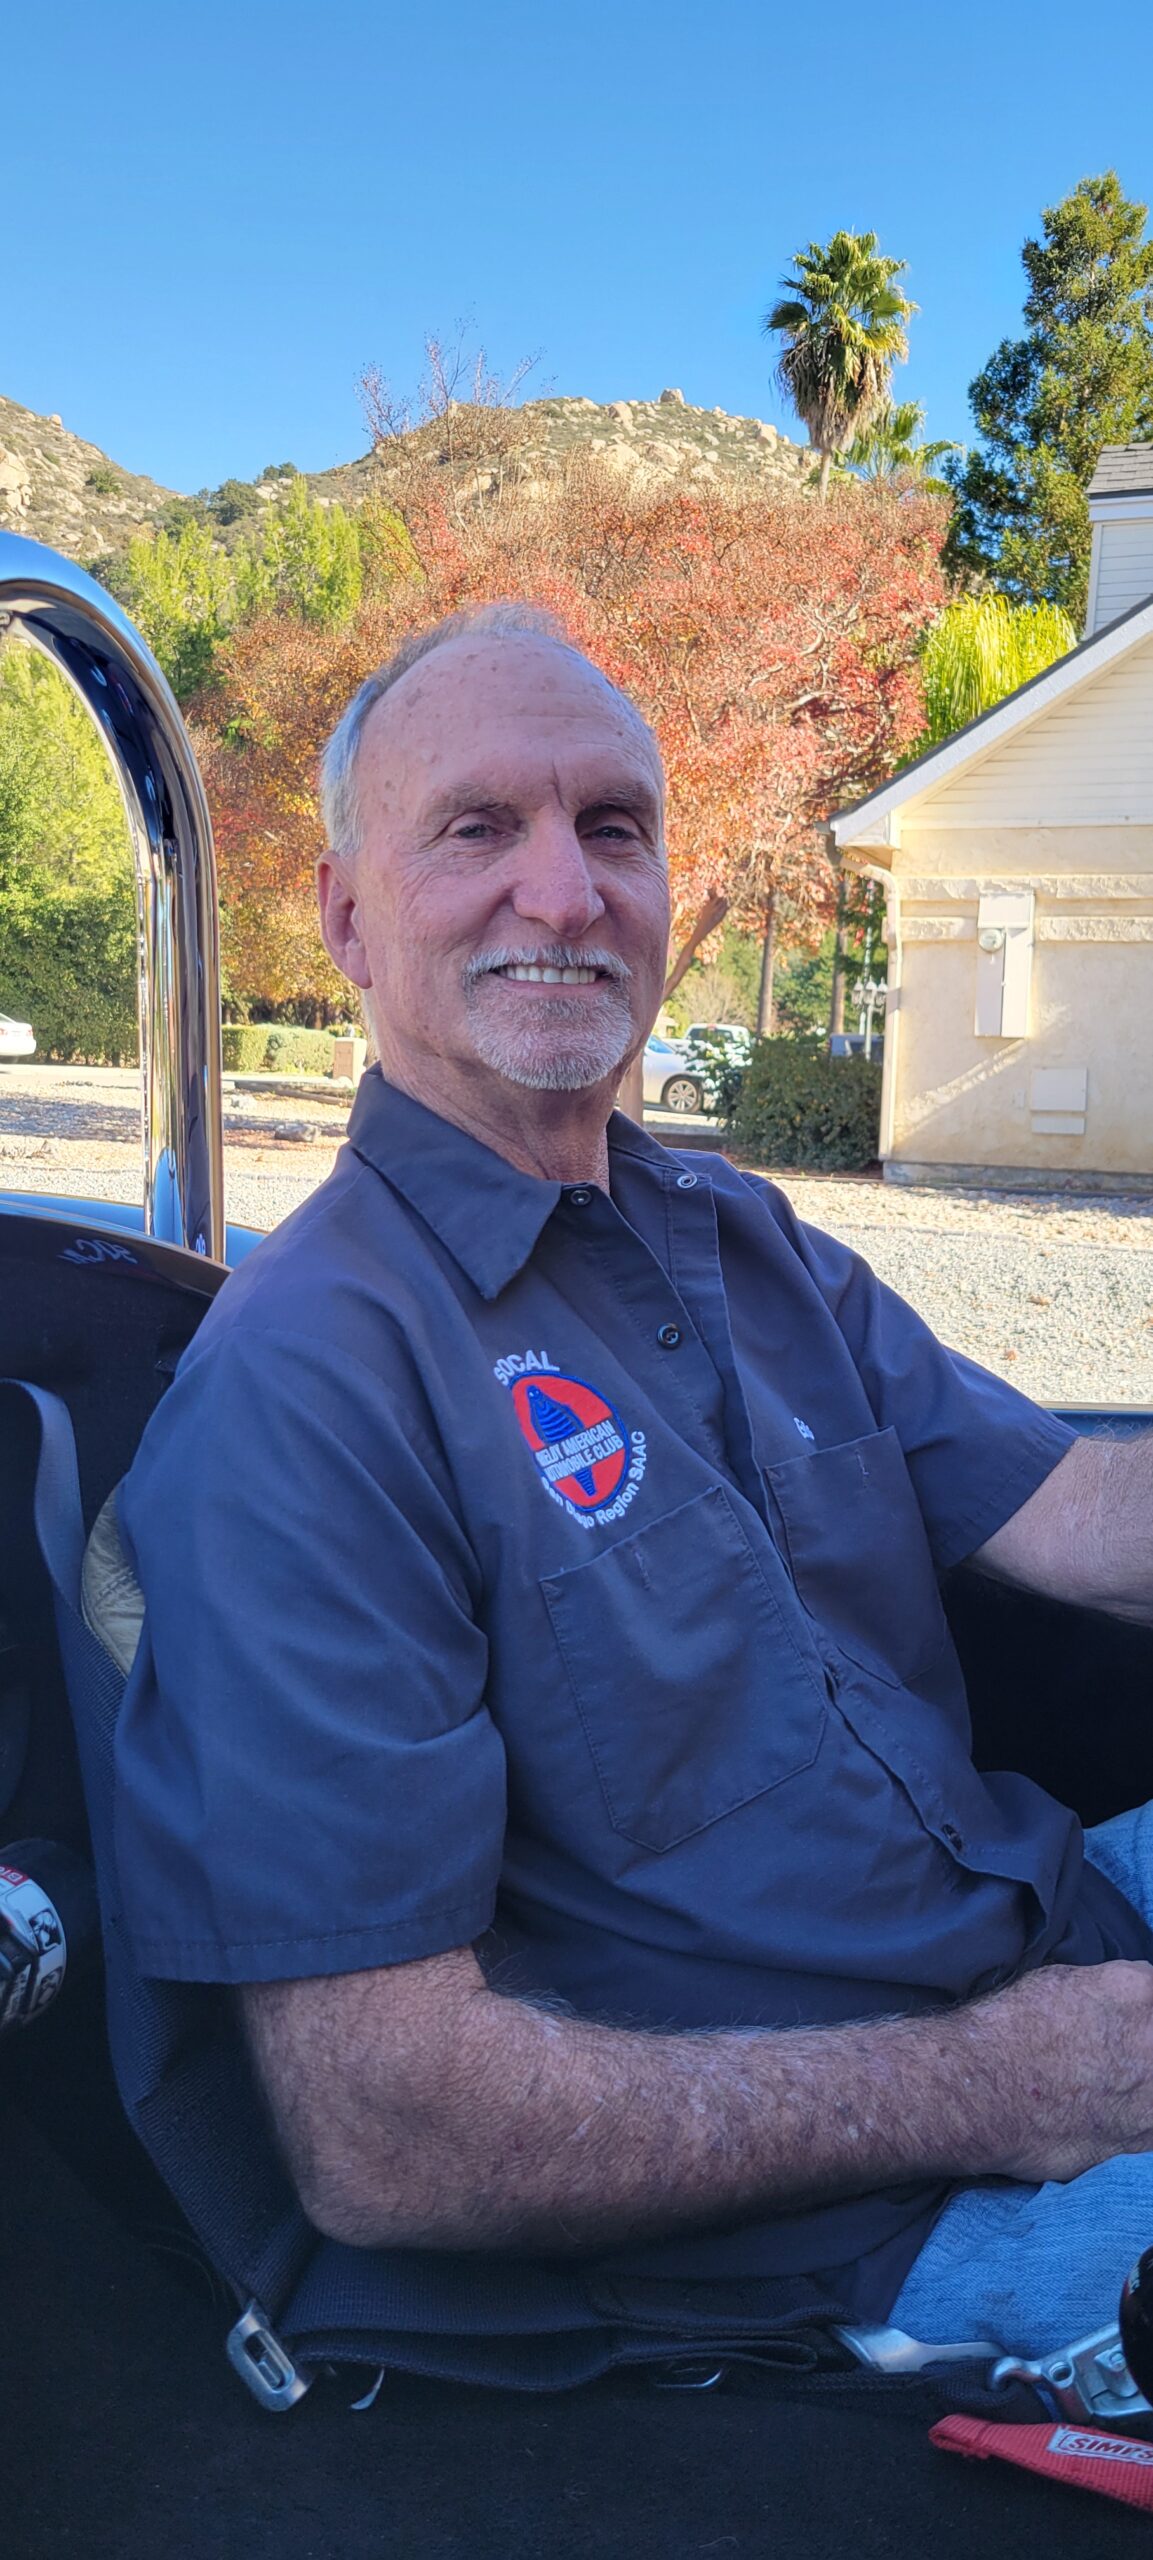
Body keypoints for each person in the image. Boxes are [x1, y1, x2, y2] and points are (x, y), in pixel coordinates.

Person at [114, 603, 1153, 2362]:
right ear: (347, 919)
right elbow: (387, 2133)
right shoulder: (309, 1383)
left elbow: (1081, 1521)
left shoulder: (738, 1235)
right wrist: (995, 2083)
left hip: (1061, 1936)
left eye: (612, 828)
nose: (564, 890)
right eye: (476, 829)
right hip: (876, 2204)